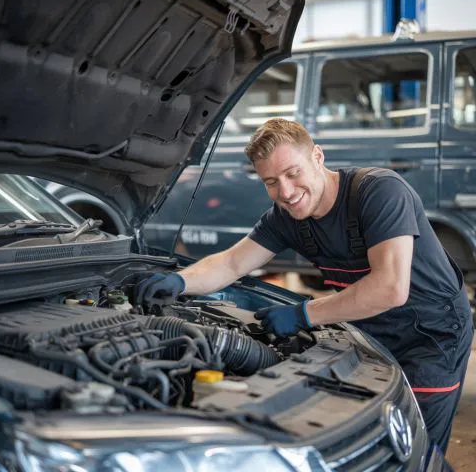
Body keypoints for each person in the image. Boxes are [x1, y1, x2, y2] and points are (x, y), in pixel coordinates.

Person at [136, 118, 473, 453]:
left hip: (430, 334)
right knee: (364, 437)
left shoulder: (379, 192)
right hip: (371, 328)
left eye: (292, 173)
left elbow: (389, 288)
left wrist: (304, 314)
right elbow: (232, 263)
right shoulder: (287, 217)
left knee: (409, 445)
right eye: (271, 181)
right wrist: (181, 280)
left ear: (318, 156)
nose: (285, 192)